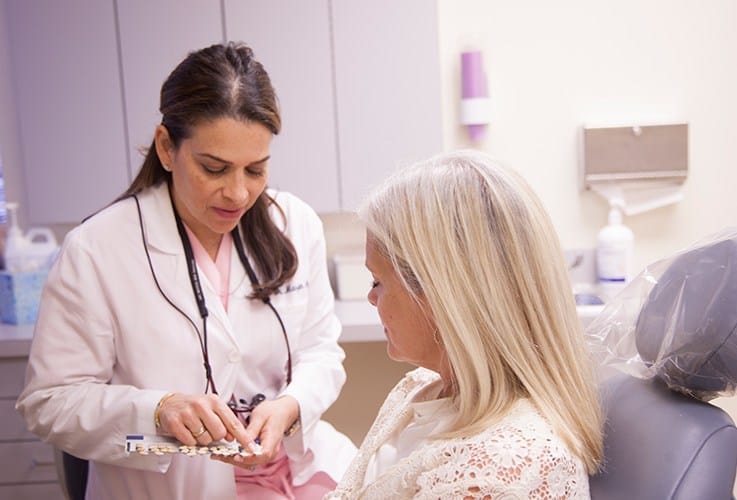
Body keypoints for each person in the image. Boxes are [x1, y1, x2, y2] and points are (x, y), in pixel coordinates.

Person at [16, 41, 356, 500]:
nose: (237, 193)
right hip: (170, 485)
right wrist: (158, 410)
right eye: (214, 168)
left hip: (293, 476)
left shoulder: (295, 224)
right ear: (166, 147)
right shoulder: (98, 249)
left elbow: (321, 352)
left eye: (255, 170)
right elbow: (49, 402)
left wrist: (291, 407)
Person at [326, 150, 604, 499]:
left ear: (441, 294)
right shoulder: (420, 389)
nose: (371, 298)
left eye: (377, 281)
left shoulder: (502, 467)